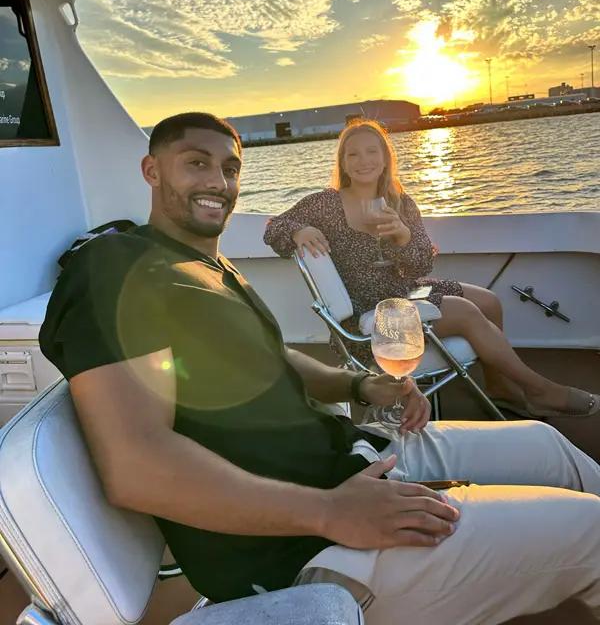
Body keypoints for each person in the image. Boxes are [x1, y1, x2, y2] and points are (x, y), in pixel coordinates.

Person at [40, 111, 600, 625]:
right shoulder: (113, 268)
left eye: (230, 168)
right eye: (196, 163)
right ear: (151, 170)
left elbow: (270, 356)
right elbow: (137, 466)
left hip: (358, 452)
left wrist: (358, 382)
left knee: (551, 447)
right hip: (311, 540)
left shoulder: (207, 266)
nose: (218, 181)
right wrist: (330, 512)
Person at [264, 119, 600, 419]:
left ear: (385, 159)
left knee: (491, 302)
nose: (363, 161)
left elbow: (422, 263)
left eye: (371, 152)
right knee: (467, 312)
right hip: (370, 310)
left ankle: (497, 387)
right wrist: (299, 230)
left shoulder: (401, 202)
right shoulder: (324, 204)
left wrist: (403, 235)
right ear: (343, 163)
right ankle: (542, 390)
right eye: (353, 154)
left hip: (404, 288)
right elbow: (273, 226)